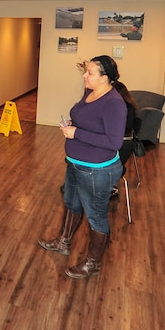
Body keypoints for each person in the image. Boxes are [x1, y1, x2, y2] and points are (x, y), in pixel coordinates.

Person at [38, 55, 132, 279]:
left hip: (97, 170)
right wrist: (74, 125)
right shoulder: (90, 93)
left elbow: (114, 142)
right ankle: (63, 242)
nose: (85, 76)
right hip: (76, 164)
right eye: (85, 71)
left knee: (96, 215)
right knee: (71, 203)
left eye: (90, 73)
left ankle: (93, 264)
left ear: (105, 78)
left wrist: (76, 133)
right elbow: (87, 120)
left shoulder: (114, 103)